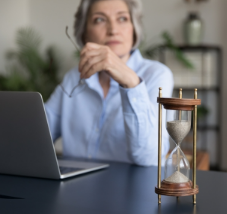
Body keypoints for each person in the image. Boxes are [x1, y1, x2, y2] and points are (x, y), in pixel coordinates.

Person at [45, 0, 173, 166]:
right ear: (84, 34)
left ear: (134, 30)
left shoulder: (157, 75)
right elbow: (38, 136)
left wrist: (131, 83)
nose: (113, 30)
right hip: (77, 187)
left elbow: (149, 157)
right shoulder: (73, 78)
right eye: (100, 20)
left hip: (132, 189)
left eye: (122, 19)